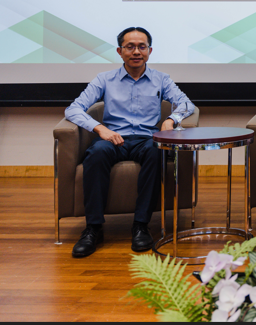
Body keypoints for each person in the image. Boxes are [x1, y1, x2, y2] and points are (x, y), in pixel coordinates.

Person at [65, 27, 194, 258]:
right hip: (115, 138)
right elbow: (73, 109)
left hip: (146, 139)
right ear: (120, 51)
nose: (136, 52)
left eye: (142, 47)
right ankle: (93, 228)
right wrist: (99, 128)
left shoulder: (161, 79)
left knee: (157, 153)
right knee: (95, 155)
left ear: (150, 51)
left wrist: (170, 120)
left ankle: (141, 225)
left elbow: (186, 104)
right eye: (130, 47)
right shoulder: (104, 79)